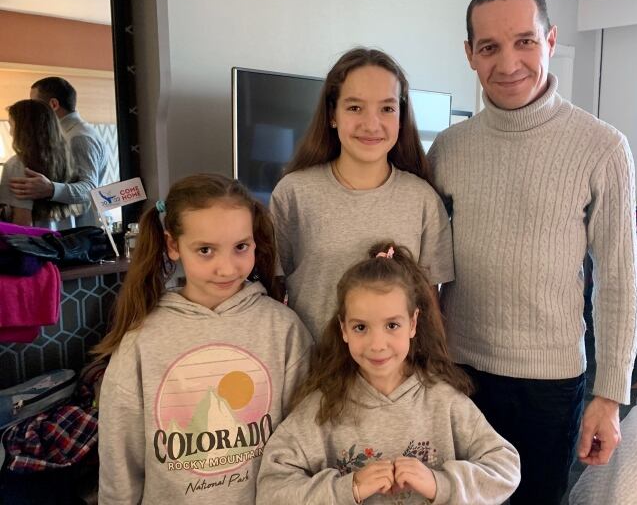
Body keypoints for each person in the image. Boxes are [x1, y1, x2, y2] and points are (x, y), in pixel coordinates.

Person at [427, 0, 637, 504]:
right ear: (470, 56)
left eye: (524, 41)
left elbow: (617, 279)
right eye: (489, 47)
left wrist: (609, 397)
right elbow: (424, 268)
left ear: (549, 41)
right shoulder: (448, 149)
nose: (508, 63)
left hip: (549, 382)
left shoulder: (602, 147)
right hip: (460, 372)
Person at [95, 174, 313, 504]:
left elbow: (305, 441)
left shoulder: (283, 329)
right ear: (173, 245)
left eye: (241, 247)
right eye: (206, 250)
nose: (226, 268)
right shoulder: (143, 340)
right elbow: (119, 456)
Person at [257, 242, 521, 504]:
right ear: (344, 329)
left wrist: (439, 484)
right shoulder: (322, 407)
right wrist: (348, 489)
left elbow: (505, 467)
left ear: (413, 323)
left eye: (392, 325)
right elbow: (272, 489)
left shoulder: (446, 401)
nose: (377, 344)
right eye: (361, 327)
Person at [269, 47, 454, 340]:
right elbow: (272, 295)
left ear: (401, 117)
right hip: (313, 372)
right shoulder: (294, 193)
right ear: (333, 115)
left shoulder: (423, 200)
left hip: (394, 379)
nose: (371, 124)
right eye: (355, 107)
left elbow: (430, 308)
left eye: (387, 108)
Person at [9, 77, 110, 226]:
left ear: (54, 104)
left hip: (80, 230)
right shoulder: (67, 135)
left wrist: (50, 189)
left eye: (34, 102)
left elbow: (89, 188)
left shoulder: (77, 137)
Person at [0, 99, 82, 228]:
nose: (10, 132)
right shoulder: (66, 160)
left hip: (37, 244)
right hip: (66, 242)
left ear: (24, 129)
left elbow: (22, 224)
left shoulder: (17, 165)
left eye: (11, 125)